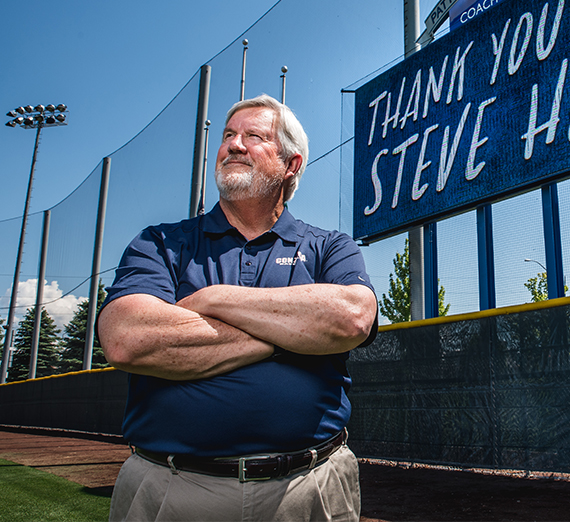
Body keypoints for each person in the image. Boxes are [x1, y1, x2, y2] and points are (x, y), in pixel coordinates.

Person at [98, 94, 378, 522]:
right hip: (171, 487)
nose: (234, 144)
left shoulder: (329, 246)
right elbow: (128, 339)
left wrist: (214, 300)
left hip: (310, 486)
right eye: (229, 135)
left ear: (291, 165)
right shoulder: (160, 243)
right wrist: (295, 336)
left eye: (255, 136)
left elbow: (353, 317)